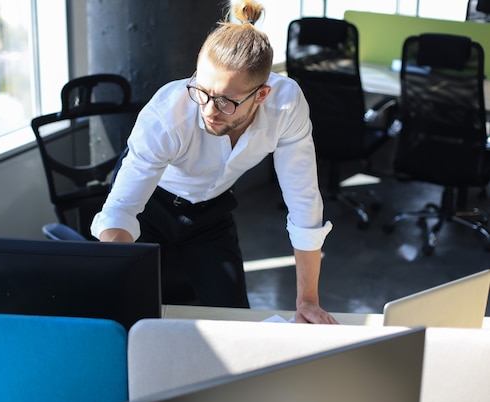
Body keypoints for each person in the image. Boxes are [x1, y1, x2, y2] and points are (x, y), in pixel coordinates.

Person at [91, 0, 338, 324]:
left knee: (233, 319)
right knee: (131, 315)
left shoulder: (285, 106)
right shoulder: (168, 116)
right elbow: (121, 209)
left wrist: (308, 300)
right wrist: (113, 275)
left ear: (261, 95)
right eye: (201, 89)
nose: (208, 109)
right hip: (152, 204)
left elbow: (304, 202)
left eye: (224, 101)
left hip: (210, 210)